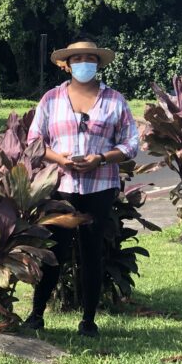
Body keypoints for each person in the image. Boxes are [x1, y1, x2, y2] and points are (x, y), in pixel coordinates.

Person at [23, 39, 139, 338]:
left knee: (91, 253)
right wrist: (59, 158)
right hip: (61, 186)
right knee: (54, 252)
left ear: (98, 64)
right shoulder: (51, 99)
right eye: (78, 59)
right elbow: (35, 141)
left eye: (90, 58)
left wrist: (100, 158)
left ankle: (88, 320)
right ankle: (36, 315)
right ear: (67, 64)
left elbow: (131, 144)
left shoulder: (115, 101)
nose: (84, 63)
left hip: (99, 187)